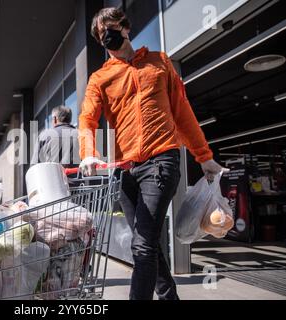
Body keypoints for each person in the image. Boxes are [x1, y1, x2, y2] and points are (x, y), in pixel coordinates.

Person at [78, 7, 227, 300]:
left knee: (143, 244)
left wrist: (203, 156)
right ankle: (169, 296)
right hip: (124, 170)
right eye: (100, 34)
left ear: (125, 28)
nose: (105, 36)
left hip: (161, 161)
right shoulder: (100, 78)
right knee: (143, 241)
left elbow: (182, 113)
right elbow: (87, 118)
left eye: (109, 28)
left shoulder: (159, 63)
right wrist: (87, 153)